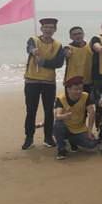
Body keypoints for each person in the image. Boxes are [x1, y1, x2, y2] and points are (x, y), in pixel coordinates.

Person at [22, 17, 66, 150]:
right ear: (41, 29)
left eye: (51, 27)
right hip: (32, 80)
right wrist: (33, 52)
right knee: (31, 110)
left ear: (55, 30)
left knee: (49, 110)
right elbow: (29, 48)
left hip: (48, 82)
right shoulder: (33, 40)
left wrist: (42, 62)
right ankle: (29, 138)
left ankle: (48, 137)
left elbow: (59, 63)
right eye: (46, 27)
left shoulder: (57, 45)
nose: (48, 29)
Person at [52, 76, 99, 160]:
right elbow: (58, 116)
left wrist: (89, 131)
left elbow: (92, 113)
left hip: (79, 128)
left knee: (92, 144)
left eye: (81, 88)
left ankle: (72, 141)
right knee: (57, 125)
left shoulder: (85, 96)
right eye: (76, 89)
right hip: (65, 127)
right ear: (68, 90)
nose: (79, 91)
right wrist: (64, 116)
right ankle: (62, 150)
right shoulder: (61, 99)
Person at [64, 26, 93, 94]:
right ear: (71, 37)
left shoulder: (90, 47)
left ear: (83, 34)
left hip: (87, 82)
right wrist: (67, 53)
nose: (77, 36)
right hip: (71, 83)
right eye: (74, 35)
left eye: (79, 33)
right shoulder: (69, 47)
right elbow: (64, 51)